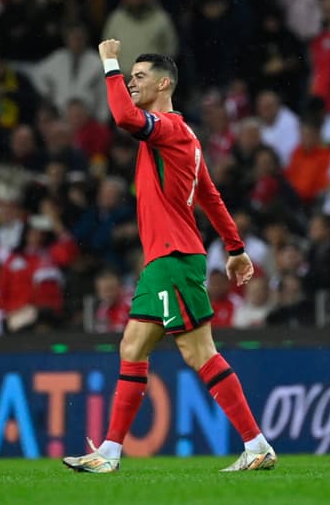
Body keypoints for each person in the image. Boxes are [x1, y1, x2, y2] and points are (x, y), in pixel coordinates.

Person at [63, 40, 276, 473]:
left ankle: (256, 445)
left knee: (198, 353)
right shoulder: (183, 137)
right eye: (129, 77)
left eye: (138, 77)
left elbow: (123, 117)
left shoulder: (170, 129)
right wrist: (235, 249)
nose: (131, 83)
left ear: (163, 84)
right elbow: (211, 198)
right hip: (166, 259)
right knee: (134, 346)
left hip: (173, 257)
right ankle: (110, 452)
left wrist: (109, 64)